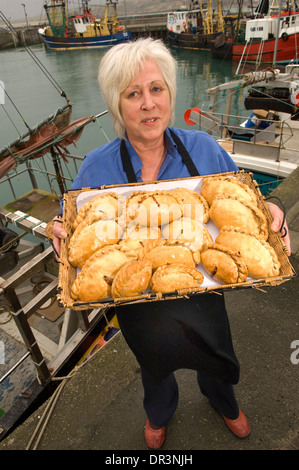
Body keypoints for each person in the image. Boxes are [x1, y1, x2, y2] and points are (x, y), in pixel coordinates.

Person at [51, 37, 291, 449]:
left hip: (205, 283)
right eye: (133, 94)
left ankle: (223, 402)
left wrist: (270, 210)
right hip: (137, 297)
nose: (148, 104)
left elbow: (240, 199)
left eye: (156, 89)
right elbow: (73, 224)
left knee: (215, 353)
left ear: (169, 94)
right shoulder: (98, 167)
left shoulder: (203, 148)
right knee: (154, 362)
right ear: (117, 104)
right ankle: (159, 414)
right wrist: (60, 233)